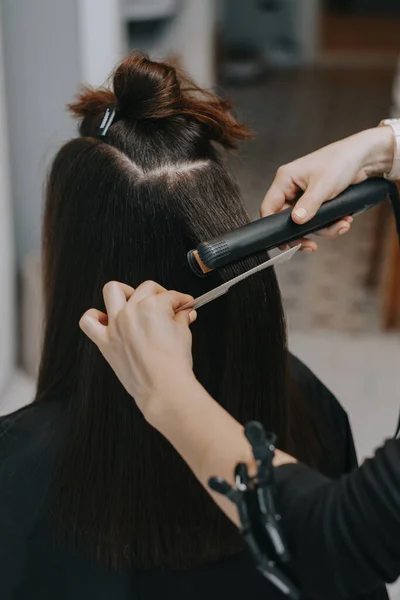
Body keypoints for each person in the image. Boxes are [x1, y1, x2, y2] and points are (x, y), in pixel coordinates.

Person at [0, 52, 387, 600]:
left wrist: (167, 396)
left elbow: (347, 535)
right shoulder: (310, 407)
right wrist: (385, 146)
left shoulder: (15, 468)